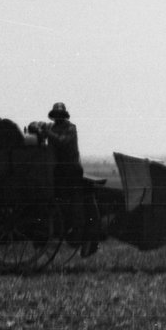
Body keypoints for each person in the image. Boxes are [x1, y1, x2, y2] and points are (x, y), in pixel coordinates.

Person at [28, 102, 101, 252]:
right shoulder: (51, 127)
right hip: (58, 171)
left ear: (64, 116)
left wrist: (46, 132)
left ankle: (77, 232)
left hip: (72, 171)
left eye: (60, 116)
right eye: (56, 116)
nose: (58, 118)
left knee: (76, 206)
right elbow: (34, 125)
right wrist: (35, 126)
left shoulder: (70, 128)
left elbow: (62, 141)